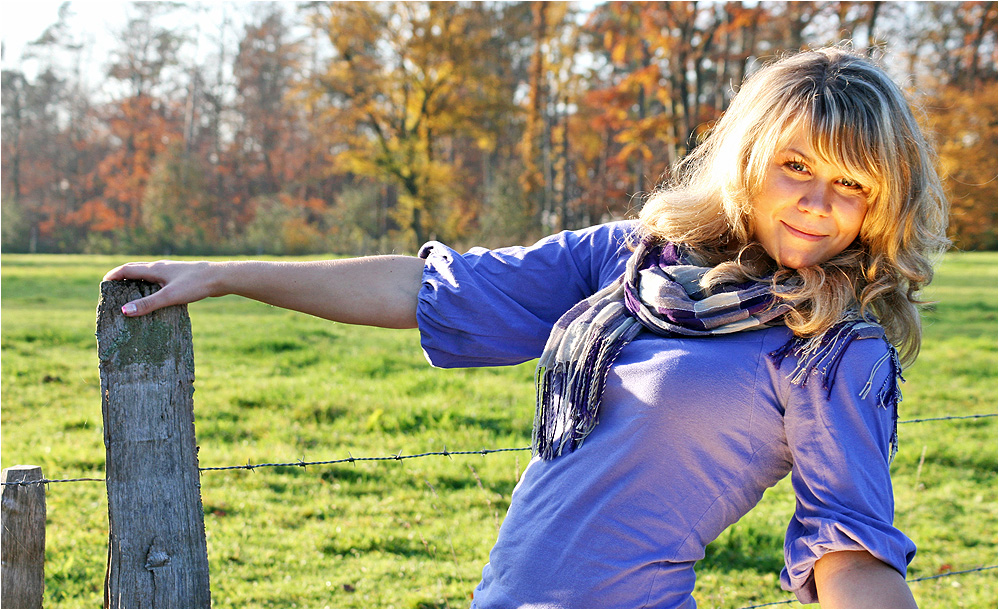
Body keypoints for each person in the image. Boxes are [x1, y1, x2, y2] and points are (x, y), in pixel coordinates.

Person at [104, 47, 949, 608]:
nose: (815, 200)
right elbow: (431, 289)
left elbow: (851, 551)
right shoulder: (636, 260)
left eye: (851, 183)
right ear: (747, 160)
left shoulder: (833, 345)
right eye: (795, 166)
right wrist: (224, 275)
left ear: (881, 204)